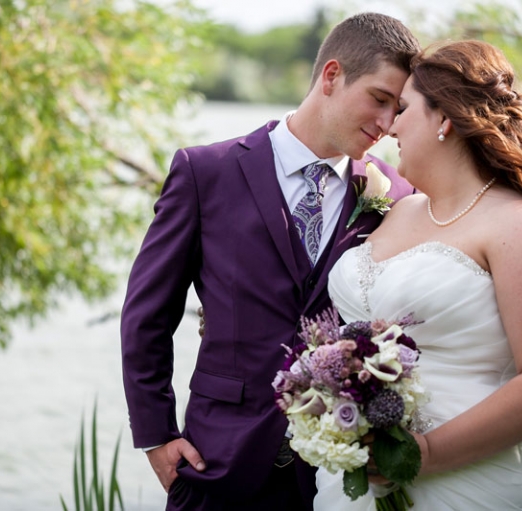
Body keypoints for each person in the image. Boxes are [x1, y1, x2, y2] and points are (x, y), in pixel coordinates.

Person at [120, 12, 421, 511]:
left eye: (399, 108)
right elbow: (147, 317)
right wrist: (156, 436)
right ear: (331, 75)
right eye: (380, 98)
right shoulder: (205, 173)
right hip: (215, 462)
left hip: (337, 474)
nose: (387, 125)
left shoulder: (397, 194)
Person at [315, 40, 522, 510]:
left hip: (471, 479)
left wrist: (424, 453)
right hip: (359, 481)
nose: (390, 127)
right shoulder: (400, 209)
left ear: (445, 119)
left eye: (405, 108)